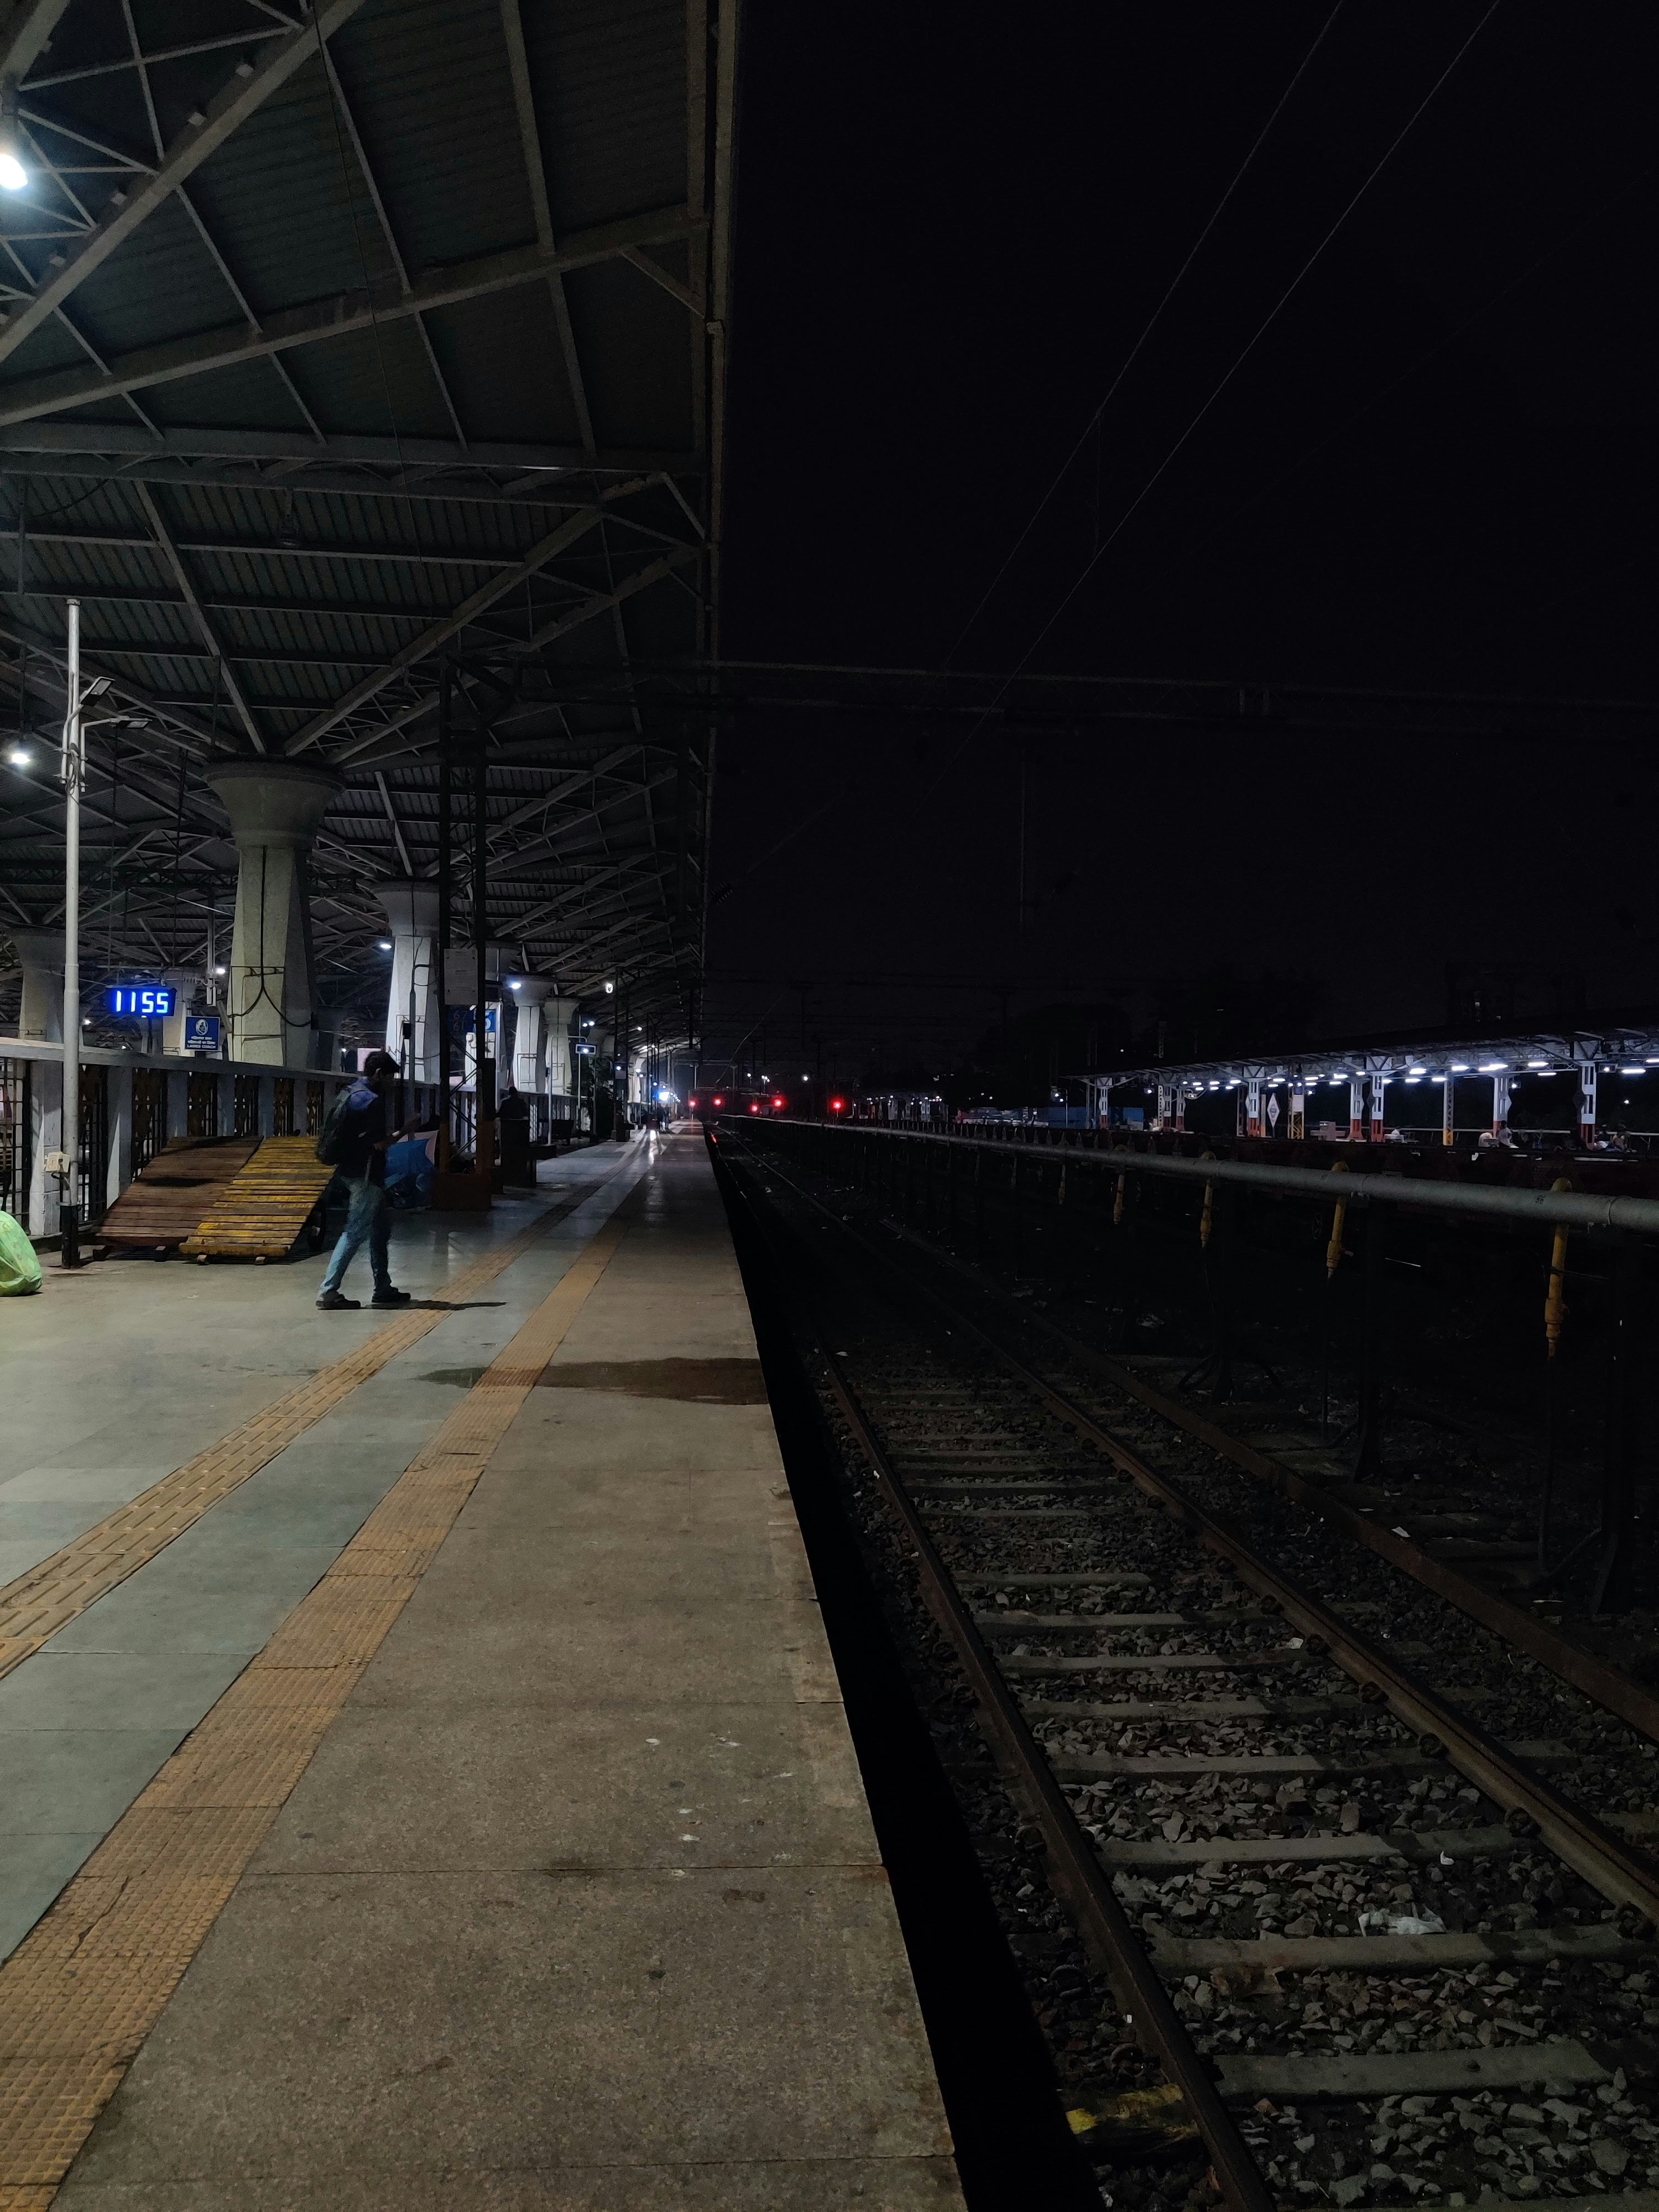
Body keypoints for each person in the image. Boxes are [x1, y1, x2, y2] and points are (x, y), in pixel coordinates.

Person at [316, 1051, 413, 1311]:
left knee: (380, 1229)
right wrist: (406, 1130)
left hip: (349, 1169)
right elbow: (379, 1144)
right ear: (379, 1074)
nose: (392, 1083)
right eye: (390, 1077)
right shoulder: (371, 1102)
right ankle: (329, 1291)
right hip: (366, 1174)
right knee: (354, 1231)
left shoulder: (348, 1093)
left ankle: (383, 1287)